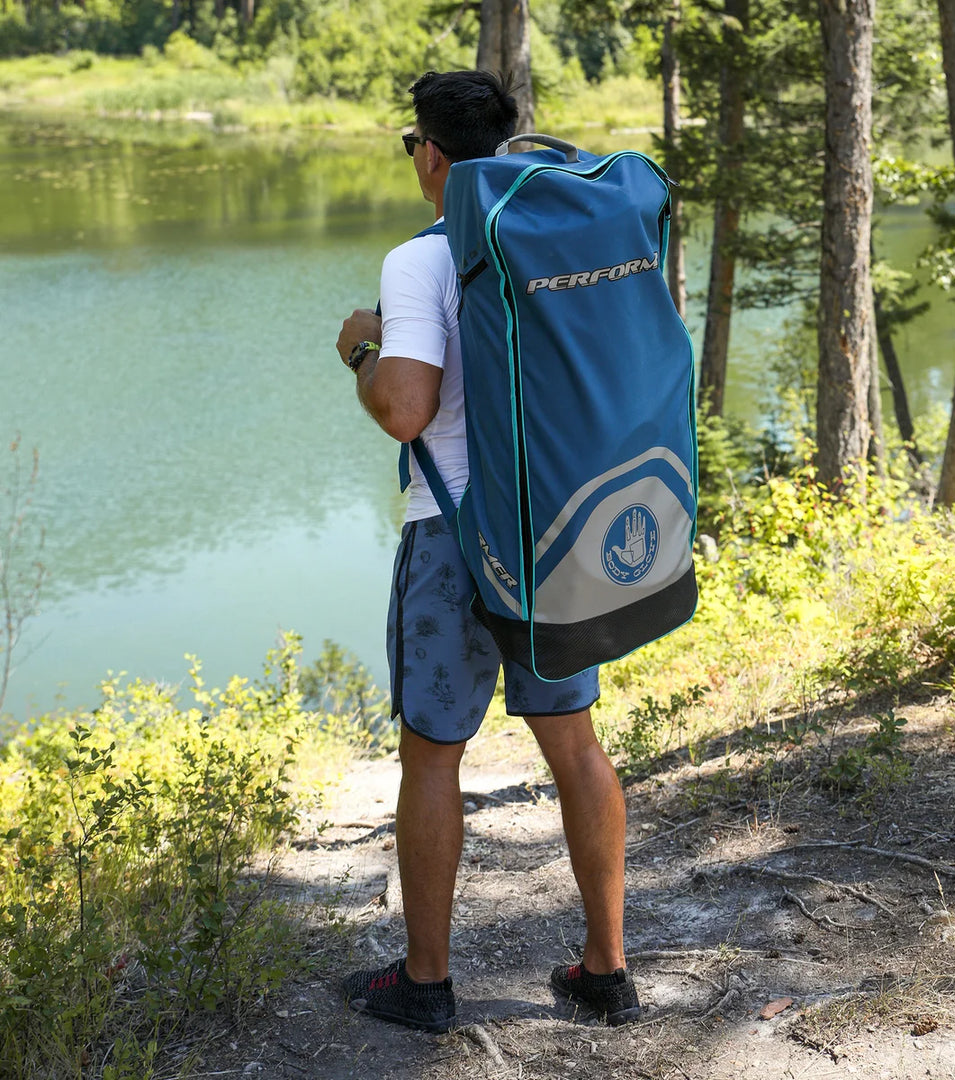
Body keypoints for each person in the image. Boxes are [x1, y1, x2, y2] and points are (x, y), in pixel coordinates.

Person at [334, 70, 640, 1034]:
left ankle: (425, 983)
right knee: (576, 749)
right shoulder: (553, 233)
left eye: (411, 145)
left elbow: (405, 410)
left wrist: (360, 353)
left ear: (429, 153)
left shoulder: (419, 260)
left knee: (432, 757)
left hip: (454, 535)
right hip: (555, 531)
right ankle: (606, 970)